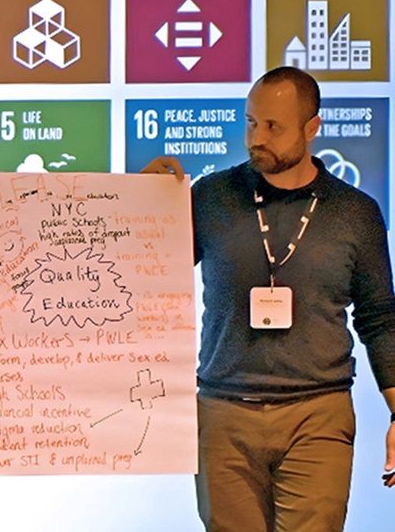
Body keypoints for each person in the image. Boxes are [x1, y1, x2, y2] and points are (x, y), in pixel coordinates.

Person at [144, 66, 395, 531]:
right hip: (224, 412)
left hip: (317, 415)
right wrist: (144, 203)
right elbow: (150, 274)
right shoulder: (212, 196)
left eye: (273, 127)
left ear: (312, 128)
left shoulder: (356, 213)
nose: (256, 138)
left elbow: (380, 319)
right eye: (251, 123)